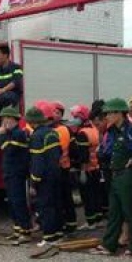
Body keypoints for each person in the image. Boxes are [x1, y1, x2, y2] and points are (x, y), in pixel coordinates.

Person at [89, 98, 132, 257]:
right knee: (114, 212)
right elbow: (108, 150)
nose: (108, 116)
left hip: (128, 176)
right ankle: (108, 245)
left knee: (130, 213)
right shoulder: (112, 131)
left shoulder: (131, 130)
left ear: (120, 114)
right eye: (107, 113)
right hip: (115, 174)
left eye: (111, 113)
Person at [27, 105, 63, 247]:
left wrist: (34, 182)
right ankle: (58, 233)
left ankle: (48, 237)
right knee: (56, 204)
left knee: (45, 206)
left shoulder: (36, 136)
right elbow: (58, 153)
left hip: (44, 178)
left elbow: (37, 161)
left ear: (32, 122)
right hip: (56, 173)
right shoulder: (53, 133)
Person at [0, 106, 32, 243]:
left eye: (5, 118)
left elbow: (7, 149)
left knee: (19, 202)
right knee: (12, 202)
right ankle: (17, 229)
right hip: (10, 172)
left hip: (17, 173)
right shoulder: (11, 133)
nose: (3, 122)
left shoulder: (18, 133)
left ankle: (26, 231)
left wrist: (1, 134)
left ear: (12, 119)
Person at [69, 104, 104, 229]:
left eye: (75, 117)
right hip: (96, 168)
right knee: (96, 195)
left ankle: (90, 222)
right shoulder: (94, 129)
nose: (73, 119)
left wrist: (82, 171)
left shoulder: (82, 133)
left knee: (87, 196)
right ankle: (98, 219)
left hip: (87, 169)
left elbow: (83, 155)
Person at [51, 101, 78, 234]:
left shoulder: (61, 130)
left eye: (57, 113)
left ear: (61, 115)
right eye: (53, 112)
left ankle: (68, 224)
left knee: (63, 198)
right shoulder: (63, 129)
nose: (54, 115)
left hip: (61, 169)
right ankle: (69, 223)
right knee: (65, 197)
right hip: (63, 167)